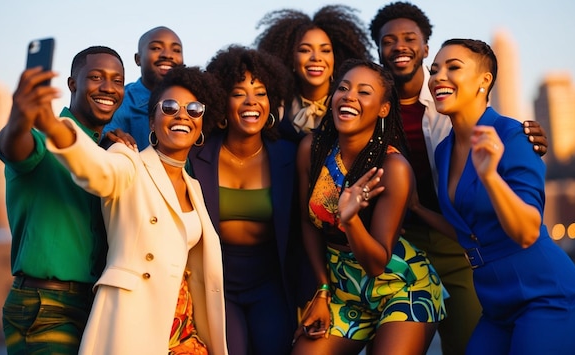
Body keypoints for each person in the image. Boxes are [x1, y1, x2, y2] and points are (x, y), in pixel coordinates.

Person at [368, 3, 549, 353]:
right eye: (388, 40)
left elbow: (490, 133)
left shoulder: (448, 102)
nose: (399, 46)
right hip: (397, 242)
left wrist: (526, 141)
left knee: (467, 340)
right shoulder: (371, 104)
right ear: (378, 49)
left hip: (456, 239)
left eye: (410, 38)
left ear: (425, 47)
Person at [37, 66, 229, 354]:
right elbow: (97, 170)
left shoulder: (194, 186)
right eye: (170, 106)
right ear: (152, 122)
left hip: (185, 334)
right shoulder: (128, 161)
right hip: (132, 325)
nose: (182, 115)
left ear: (201, 123)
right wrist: (52, 126)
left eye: (193, 108)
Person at [411, 38, 575, 354]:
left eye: (453, 67)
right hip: (494, 303)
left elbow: (528, 230)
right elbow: (469, 233)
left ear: (484, 80)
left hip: (544, 294)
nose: (438, 77)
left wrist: (490, 176)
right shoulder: (444, 150)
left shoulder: (512, 134)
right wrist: (417, 207)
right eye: (434, 70)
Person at [291, 58, 446, 355]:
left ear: (384, 108)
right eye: (344, 88)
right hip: (342, 287)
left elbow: (376, 264)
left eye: (364, 92)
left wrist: (351, 221)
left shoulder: (393, 167)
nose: (349, 96)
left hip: (401, 285)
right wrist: (322, 290)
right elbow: (306, 223)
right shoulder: (311, 149)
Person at [0, 45, 125, 354]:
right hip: (45, 307)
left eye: (117, 80)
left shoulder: (108, 153)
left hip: (96, 307)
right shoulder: (42, 139)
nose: (108, 87)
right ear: (72, 84)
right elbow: (11, 145)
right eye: (95, 76)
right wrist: (20, 117)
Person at [187, 45, 300, 355]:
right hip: (216, 285)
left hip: (269, 284)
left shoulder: (289, 155)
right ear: (222, 101)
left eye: (261, 93)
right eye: (239, 93)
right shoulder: (197, 155)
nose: (252, 102)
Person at [254, 5, 372, 142]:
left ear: (336, 57)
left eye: (325, 50)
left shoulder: (352, 103)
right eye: (305, 50)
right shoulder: (275, 107)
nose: (316, 57)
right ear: (290, 57)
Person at [103, 26, 184, 150]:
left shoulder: (195, 100)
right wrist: (112, 140)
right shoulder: (120, 101)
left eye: (176, 50)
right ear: (138, 59)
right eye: (156, 48)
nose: (168, 55)